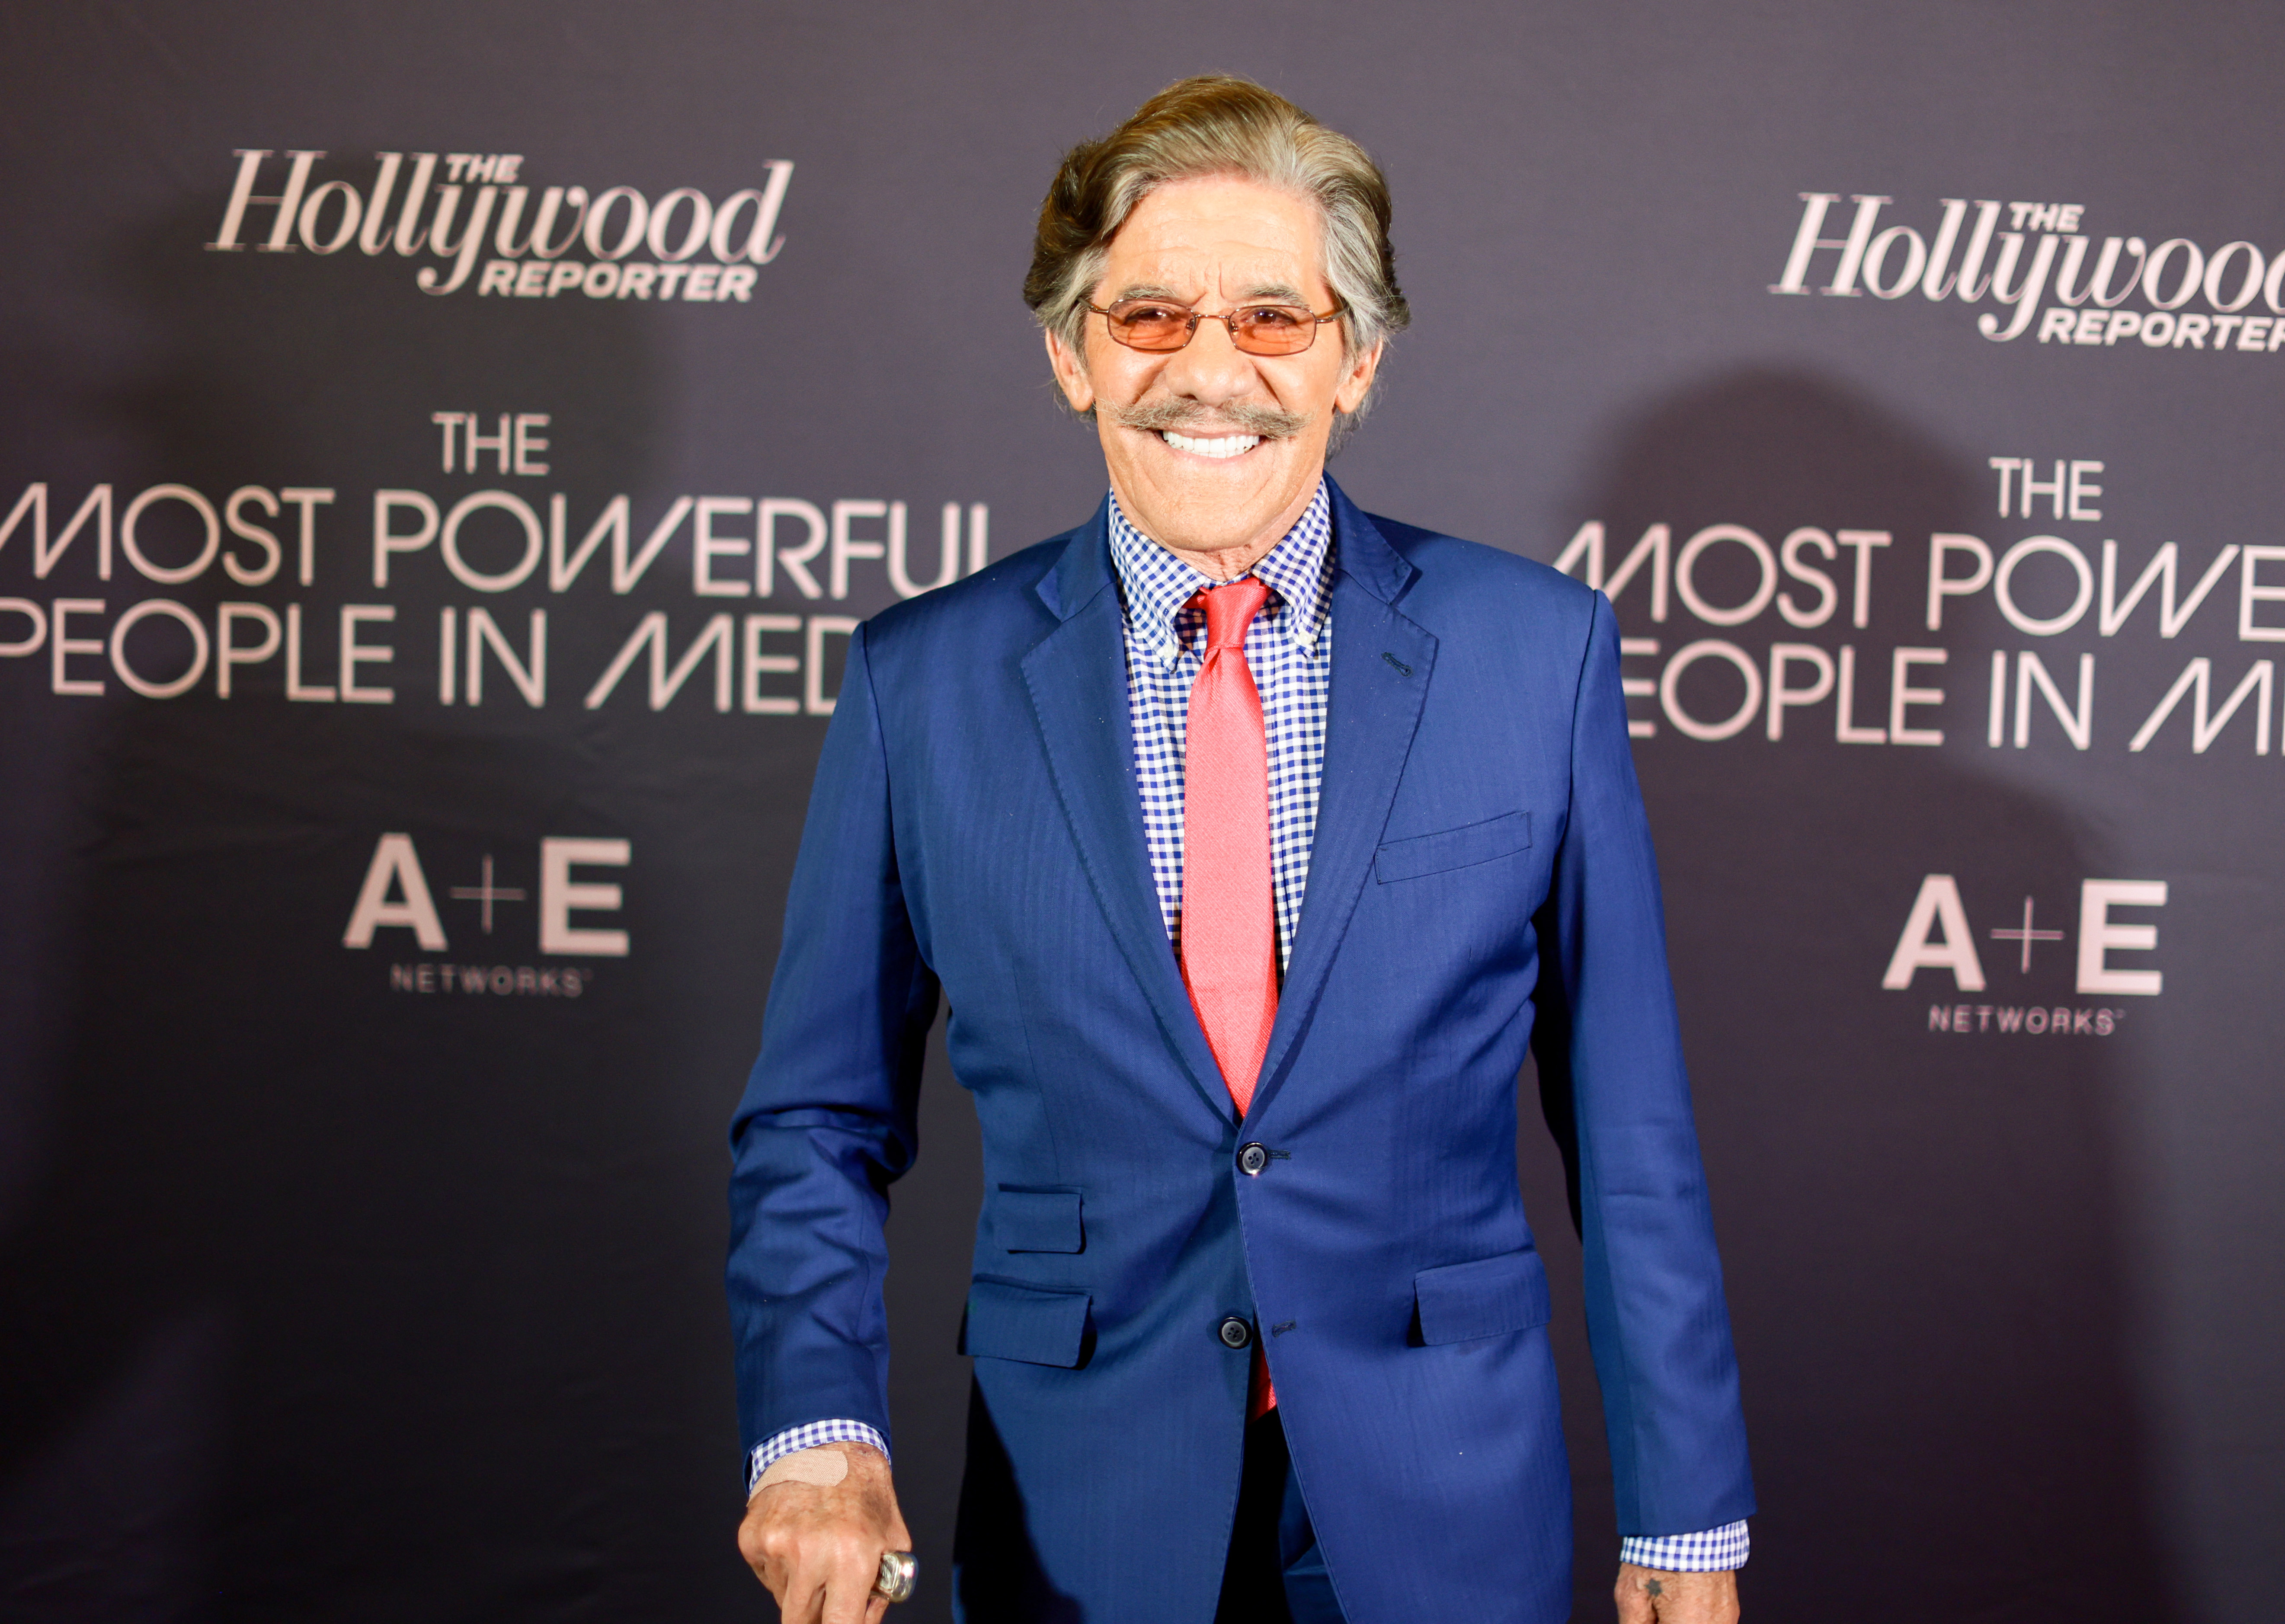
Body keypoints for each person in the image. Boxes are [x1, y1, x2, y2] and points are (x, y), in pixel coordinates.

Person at [727, 75, 1753, 1624]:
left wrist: (1686, 1518)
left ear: (1359, 359)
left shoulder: (1531, 653)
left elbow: (1630, 1130)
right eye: (1147, 316)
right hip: (1080, 1506)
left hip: (1442, 1506)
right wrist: (815, 1433)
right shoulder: (916, 683)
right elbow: (814, 1117)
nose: (1211, 370)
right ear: (1070, 356)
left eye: (1274, 319)